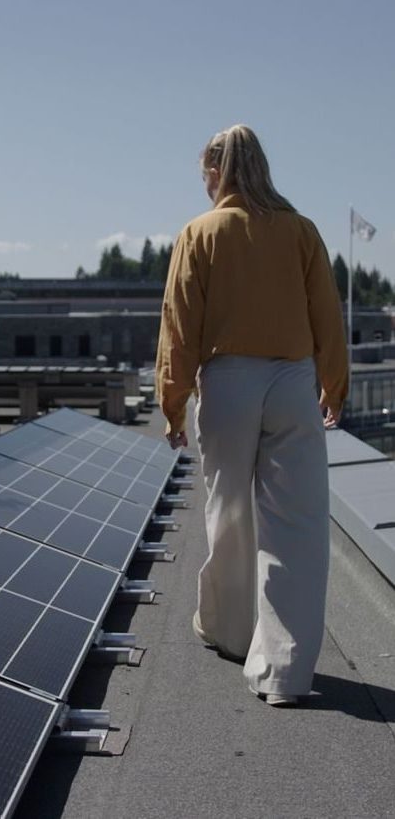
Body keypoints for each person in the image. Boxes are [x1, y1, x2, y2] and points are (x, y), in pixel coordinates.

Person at [155, 124, 348, 707]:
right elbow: (328, 317)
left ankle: (232, 633)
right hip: (292, 382)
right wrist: (333, 387)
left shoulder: (200, 232)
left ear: (219, 171)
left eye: (206, 174)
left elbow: (179, 324)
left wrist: (172, 403)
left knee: (230, 511)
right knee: (298, 524)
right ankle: (285, 672)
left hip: (229, 382)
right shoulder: (300, 231)